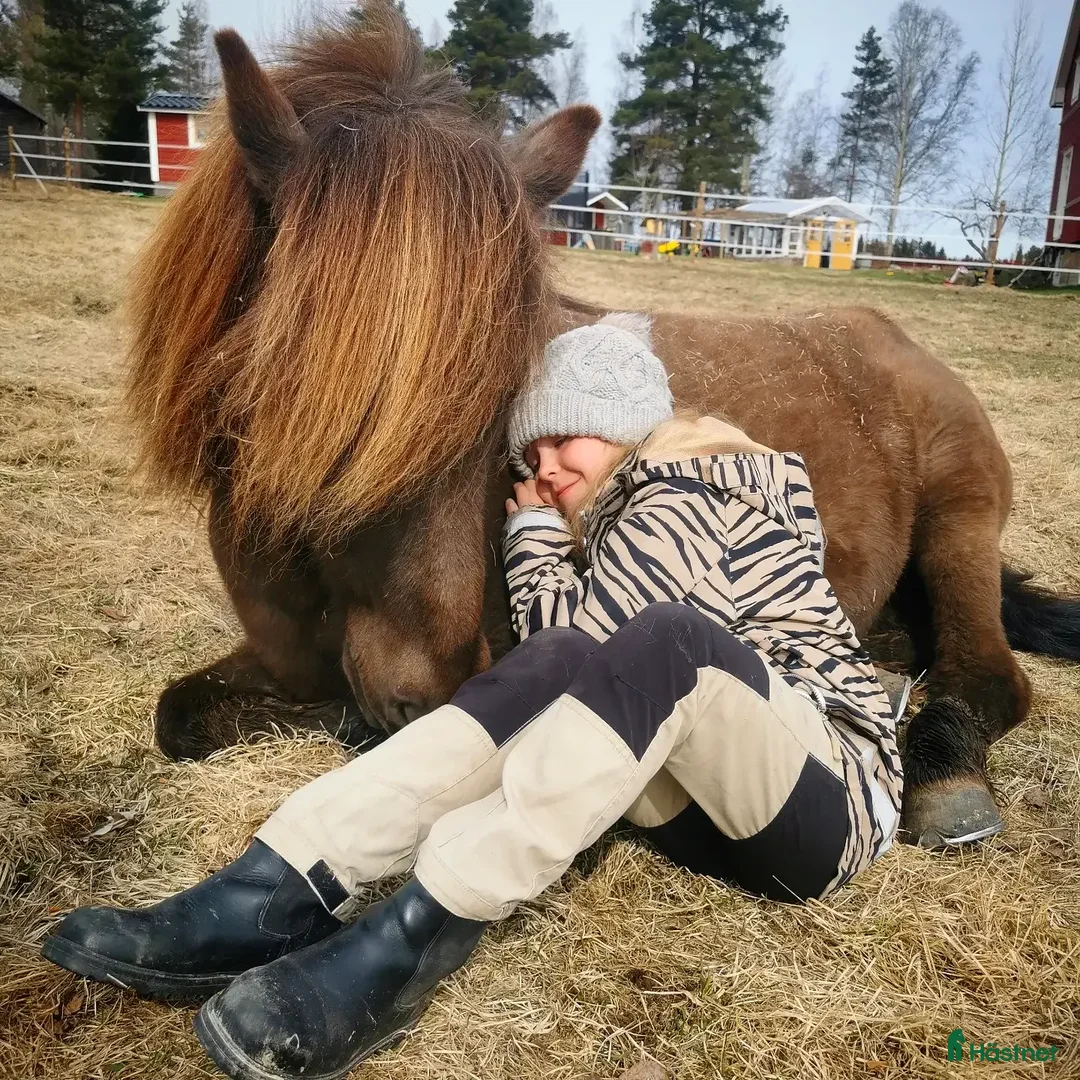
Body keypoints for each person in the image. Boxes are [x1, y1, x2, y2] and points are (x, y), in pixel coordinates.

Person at [43, 313, 903, 1080]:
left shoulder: (690, 491)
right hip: (721, 813)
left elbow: (609, 641)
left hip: (824, 803)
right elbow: (571, 657)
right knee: (571, 654)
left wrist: (529, 535)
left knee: (655, 639)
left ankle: (418, 936)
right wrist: (546, 540)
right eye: (530, 455)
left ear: (625, 425)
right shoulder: (625, 509)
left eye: (569, 439)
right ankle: (278, 883)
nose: (549, 467)